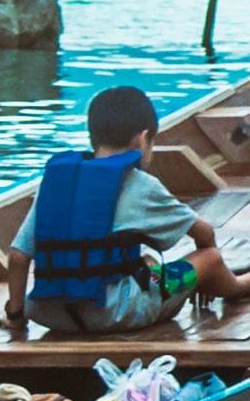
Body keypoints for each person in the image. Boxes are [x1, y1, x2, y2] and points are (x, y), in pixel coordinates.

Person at [16, 85, 221, 337]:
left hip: (50, 315)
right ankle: (243, 285)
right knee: (210, 258)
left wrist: (15, 315)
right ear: (143, 139)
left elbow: (18, 256)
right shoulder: (141, 184)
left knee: (147, 262)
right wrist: (204, 276)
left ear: (93, 138)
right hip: (115, 314)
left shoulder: (57, 182)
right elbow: (205, 234)